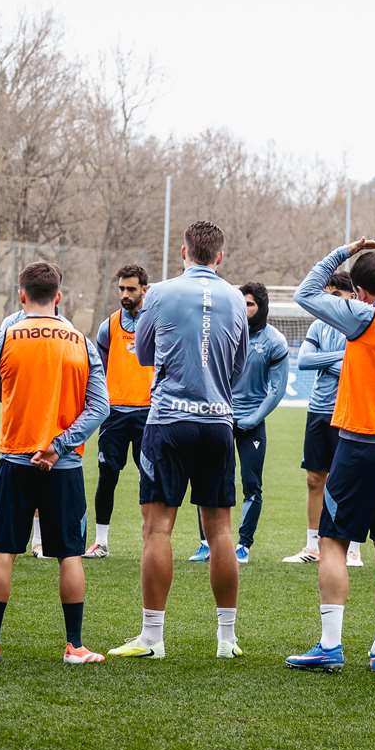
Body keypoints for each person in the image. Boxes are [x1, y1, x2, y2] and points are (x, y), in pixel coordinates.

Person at [283, 240, 375, 674]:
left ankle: (331, 645)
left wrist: (343, 251)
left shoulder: (364, 316)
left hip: (360, 444)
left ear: (361, 293)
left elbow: (306, 293)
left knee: (332, 541)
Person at [109, 222, 249, 661]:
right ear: (220, 257)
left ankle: (153, 638)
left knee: (158, 529)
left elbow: (143, 354)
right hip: (218, 422)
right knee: (221, 530)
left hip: (169, 421)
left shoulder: (161, 294)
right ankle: (226, 639)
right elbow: (239, 365)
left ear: (183, 253)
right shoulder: (235, 298)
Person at [0, 262, 110, 665]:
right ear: (58, 297)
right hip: (63, 465)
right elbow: (100, 407)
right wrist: (59, 445)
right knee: (70, 554)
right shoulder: (82, 342)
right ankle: (74, 646)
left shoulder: (4, 339)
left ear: (22, 295)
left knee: (3, 551)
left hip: (16, 458)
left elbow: (1, 390)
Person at [196, 282, 287, 565]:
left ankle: (243, 545)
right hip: (220, 419)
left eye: (250, 304)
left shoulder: (274, 341)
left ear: (262, 308)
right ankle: (206, 543)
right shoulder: (222, 333)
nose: (244, 309)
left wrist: (254, 418)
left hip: (252, 424)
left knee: (251, 485)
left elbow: (277, 389)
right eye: (241, 303)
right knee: (209, 481)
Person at [283, 271, 363, 567]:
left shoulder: (358, 325)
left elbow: (355, 370)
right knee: (315, 479)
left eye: (335, 296)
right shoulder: (318, 325)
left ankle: (352, 548)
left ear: (352, 296)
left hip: (350, 411)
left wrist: (329, 360)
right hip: (318, 410)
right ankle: (312, 546)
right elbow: (304, 361)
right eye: (325, 296)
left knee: (352, 481)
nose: (328, 302)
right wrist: (340, 357)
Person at [85, 265, 153, 560]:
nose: (125, 294)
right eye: (122, 289)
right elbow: (98, 371)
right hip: (114, 415)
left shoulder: (156, 323)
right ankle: (101, 542)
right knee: (107, 476)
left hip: (148, 414)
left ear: (144, 290)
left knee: (150, 478)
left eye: (131, 289)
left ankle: (152, 541)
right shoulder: (109, 326)